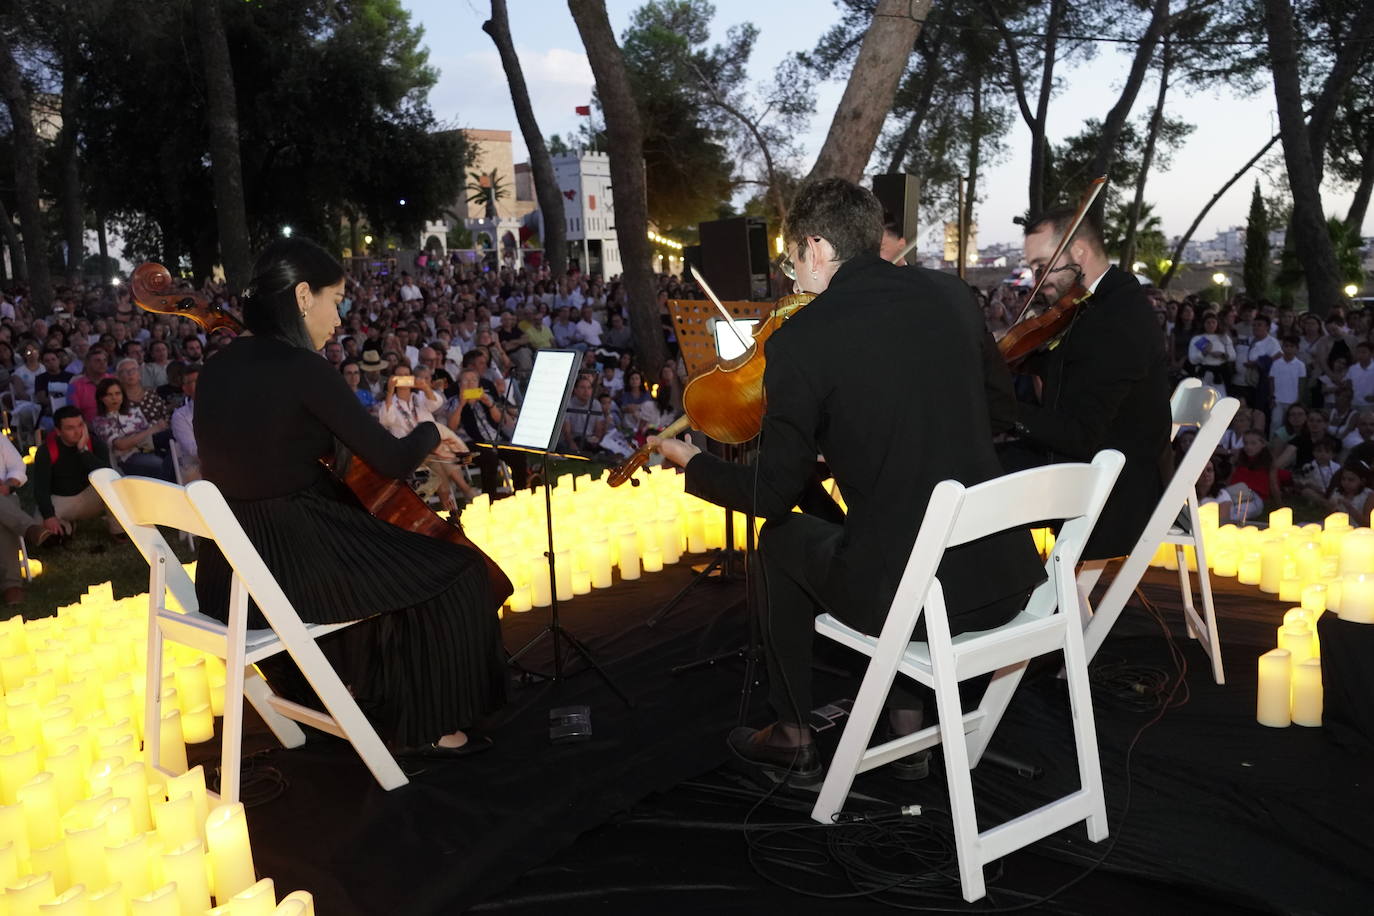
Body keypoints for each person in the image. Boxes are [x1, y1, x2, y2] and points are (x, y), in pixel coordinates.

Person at [653, 179, 1043, 785]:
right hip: (1008, 576)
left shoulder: (803, 337)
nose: (791, 277)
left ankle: (792, 734)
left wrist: (690, 463)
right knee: (866, 528)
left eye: (790, 262)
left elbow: (771, 494)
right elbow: (997, 414)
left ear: (814, 248)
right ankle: (907, 727)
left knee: (781, 541)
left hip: (916, 601)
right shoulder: (952, 295)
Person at [193, 237, 505, 756]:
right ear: (301, 297)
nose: (339, 318)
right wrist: (430, 433)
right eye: (335, 299)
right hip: (295, 563)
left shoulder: (218, 367)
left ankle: (365, 699)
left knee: (398, 557)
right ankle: (431, 725)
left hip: (229, 573)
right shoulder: (302, 368)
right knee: (456, 570)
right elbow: (394, 459)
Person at [1003, 203, 1172, 561]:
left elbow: (1079, 434)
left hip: (1110, 494)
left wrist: (999, 408)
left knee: (962, 473)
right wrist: (1030, 360)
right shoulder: (1108, 301)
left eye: (1041, 266)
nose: (1037, 280)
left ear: (1078, 252)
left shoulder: (1111, 322)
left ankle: (1008, 594)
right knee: (975, 464)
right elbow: (1079, 377)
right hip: (1100, 470)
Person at [32, 406, 118, 538]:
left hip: (91, 495)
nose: (77, 432)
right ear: (58, 431)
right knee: (40, 528)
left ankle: (118, 531)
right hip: (62, 499)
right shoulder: (46, 451)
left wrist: (83, 451)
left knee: (116, 489)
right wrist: (49, 516)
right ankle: (67, 527)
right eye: (70, 428)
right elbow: (41, 488)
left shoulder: (95, 443)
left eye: (80, 425)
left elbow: (107, 475)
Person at [0, 434, 50, 605]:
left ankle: (11, 586)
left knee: (3, 512)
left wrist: (10, 483)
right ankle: (11, 586)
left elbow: (17, 466)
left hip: (4, 496)